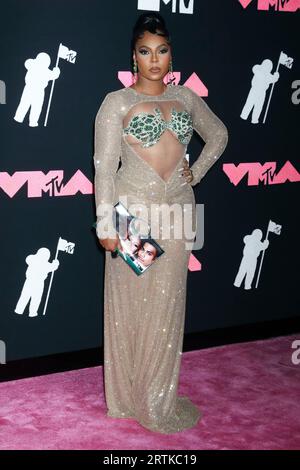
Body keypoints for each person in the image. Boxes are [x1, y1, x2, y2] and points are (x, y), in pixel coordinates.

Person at [93, 11, 228, 434]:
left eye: (162, 51)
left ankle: (157, 396)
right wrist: (105, 225)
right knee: (132, 307)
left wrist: (198, 170)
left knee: (167, 308)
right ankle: (129, 397)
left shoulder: (186, 98)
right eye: (145, 51)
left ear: (172, 55)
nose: (154, 59)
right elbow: (104, 168)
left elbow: (219, 134)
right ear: (134, 57)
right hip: (132, 216)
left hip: (177, 212)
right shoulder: (115, 103)